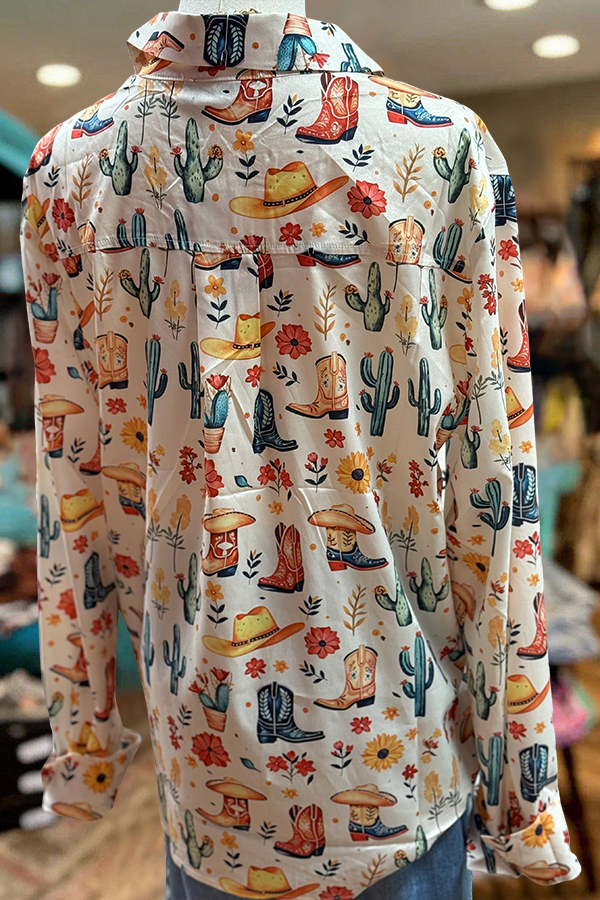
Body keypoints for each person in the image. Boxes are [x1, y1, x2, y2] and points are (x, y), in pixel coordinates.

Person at [20, 7, 581, 900]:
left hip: (209, 762)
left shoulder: (70, 171)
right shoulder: (440, 148)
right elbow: (495, 493)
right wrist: (522, 791)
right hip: (396, 761)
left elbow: (71, 489)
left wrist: (84, 741)